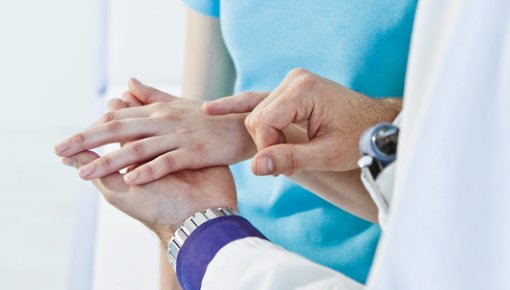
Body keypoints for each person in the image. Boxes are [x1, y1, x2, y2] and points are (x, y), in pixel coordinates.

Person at [59, 0, 510, 289]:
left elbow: (459, 189)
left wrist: (250, 135)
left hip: (387, 267)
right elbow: (188, 148)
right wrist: (186, 242)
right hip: (232, 252)